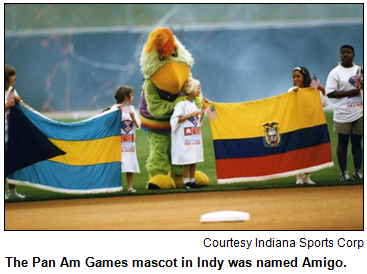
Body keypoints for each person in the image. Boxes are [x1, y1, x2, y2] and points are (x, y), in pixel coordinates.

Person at [326, 45, 363, 181]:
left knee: (357, 143)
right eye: (343, 53)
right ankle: (343, 172)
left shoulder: (360, 70)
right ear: (340, 55)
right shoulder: (335, 72)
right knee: (342, 143)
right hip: (342, 112)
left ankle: (358, 171)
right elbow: (330, 92)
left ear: (354, 55)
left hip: (359, 111)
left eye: (348, 53)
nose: (345, 55)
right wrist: (351, 92)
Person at [289, 66, 329, 185]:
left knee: (310, 150)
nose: (296, 79)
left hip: (311, 124)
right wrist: (293, 93)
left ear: (304, 77)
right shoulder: (292, 90)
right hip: (297, 125)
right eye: (294, 77)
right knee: (299, 151)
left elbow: (325, 103)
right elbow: (287, 104)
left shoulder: (313, 90)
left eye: (298, 76)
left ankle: (307, 177)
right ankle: (299, 177)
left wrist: (321, 90)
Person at [170, 79, 206, 189]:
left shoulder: (196, 104)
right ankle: (186, 182)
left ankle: (192, 180)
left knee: (193, 159)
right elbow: (175, 120)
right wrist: (190, 115)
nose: (200, 90)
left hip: (193, 136)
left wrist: (203, 109)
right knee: (186, 160)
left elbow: (198, 122)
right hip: (184, 138)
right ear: (192, 89)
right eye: (198, 88)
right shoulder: (181, 104)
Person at [108, 86, 141, 193]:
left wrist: (133, 118)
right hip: (118, 142)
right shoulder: (114, 108)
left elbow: (138, 126)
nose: (133, 97)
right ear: (126, 97)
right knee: (116, 163)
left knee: (130, 162)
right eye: (131, 95)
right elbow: (109, 122)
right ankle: (114, 186)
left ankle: (130, 186)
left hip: (129, 141)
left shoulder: (130, 109)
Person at [5, 65, 26, 199]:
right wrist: (9, 103)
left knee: (11, 162)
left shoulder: (12, 90)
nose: (15, 77)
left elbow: (18, 103)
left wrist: (18, 101)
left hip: (10, 132)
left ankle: (12, 192)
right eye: (12, 75)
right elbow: (9, 103)